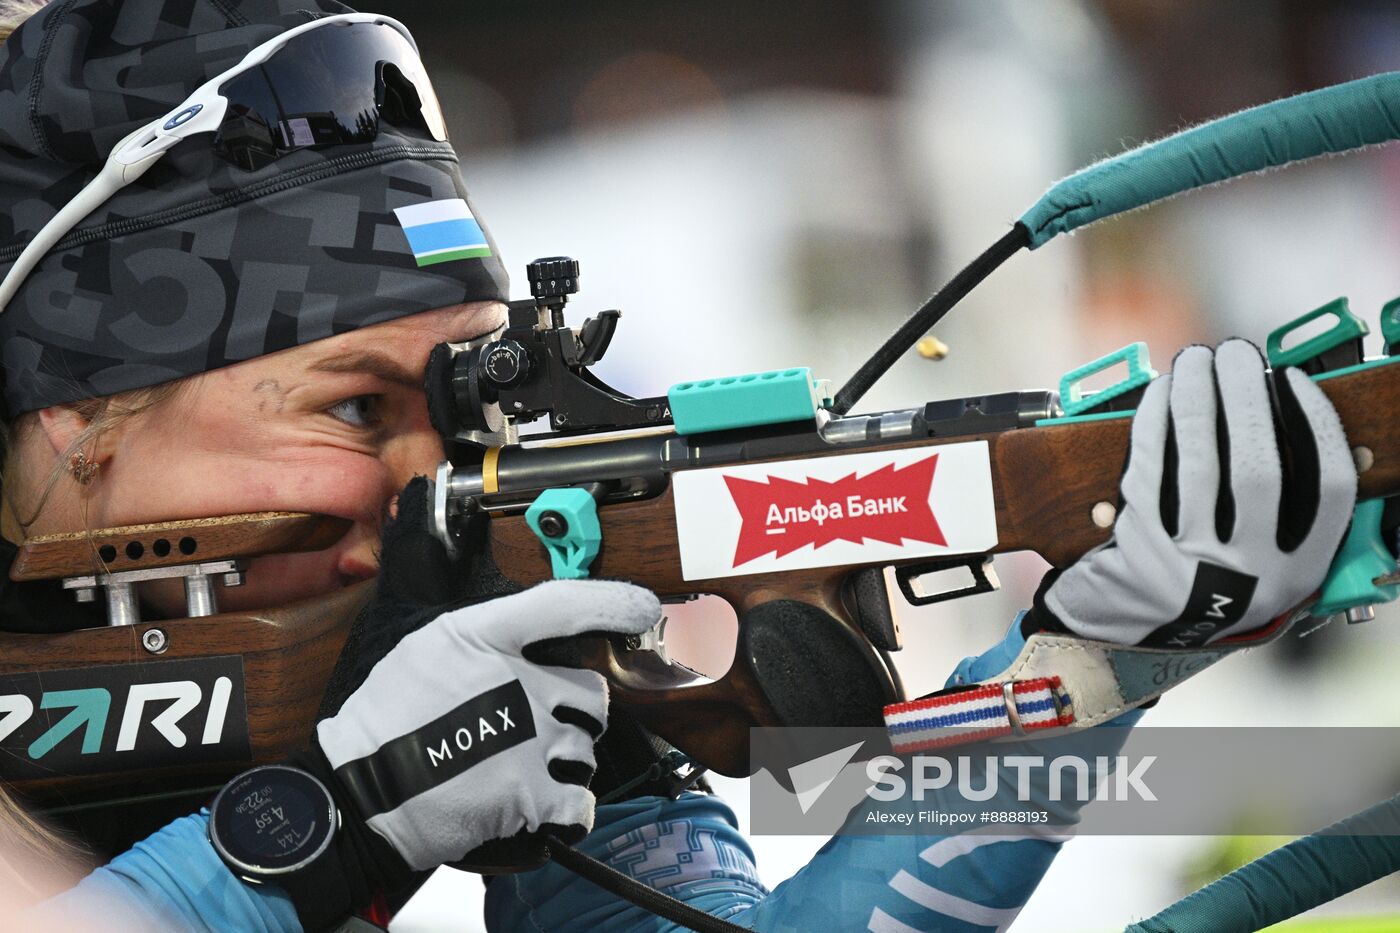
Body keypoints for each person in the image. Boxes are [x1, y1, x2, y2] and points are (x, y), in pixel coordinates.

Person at [0, 0, 1359, 930]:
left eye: (471, 392)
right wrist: (330, 824)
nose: (446, 472)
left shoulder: (471, 623)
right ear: (81, 423)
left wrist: (1090, 663)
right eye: (354, 410)